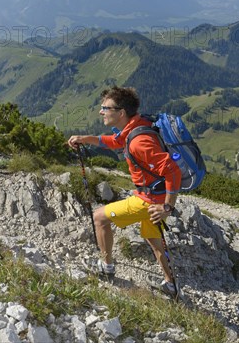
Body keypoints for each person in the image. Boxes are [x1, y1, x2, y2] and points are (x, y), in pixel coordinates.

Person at [67, 86, 181, 295]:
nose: (101, 112)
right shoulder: (136, 126)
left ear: (120, 113)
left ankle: (106, 266)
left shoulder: (140, 142)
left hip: (149, 201)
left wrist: (167, 207)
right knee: (154, 240)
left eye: (105, 108)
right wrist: (84, 138)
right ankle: (170, 283)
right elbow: (115, 142)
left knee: (99, 217)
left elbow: (173, 171)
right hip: (153, 198)